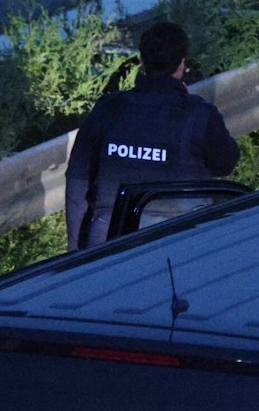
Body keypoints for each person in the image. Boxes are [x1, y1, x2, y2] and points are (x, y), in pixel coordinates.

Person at [64, 21, 239, 251]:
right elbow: (226, 164)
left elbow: (77, 180)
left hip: (109, 240)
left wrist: (76, 249)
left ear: (142, 62)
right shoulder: (199, 114)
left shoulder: (109, 108)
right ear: (181, 65)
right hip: (180, 240)